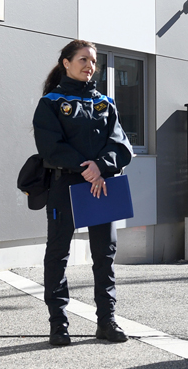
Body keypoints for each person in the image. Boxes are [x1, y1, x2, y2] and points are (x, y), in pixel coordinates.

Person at [33, 40, 135, 346]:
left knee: (105, 255)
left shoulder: (105, 103)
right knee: (57, 254)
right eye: (83, 59)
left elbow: (121, 145)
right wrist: (86, 168)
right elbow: (50, 147)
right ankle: (58, 325)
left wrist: (100, 166)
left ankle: (107, 321)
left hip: (101, 186)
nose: (90, 66)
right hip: (64, 186)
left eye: (93, 61)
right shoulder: (51, 102)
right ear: (66, 63)